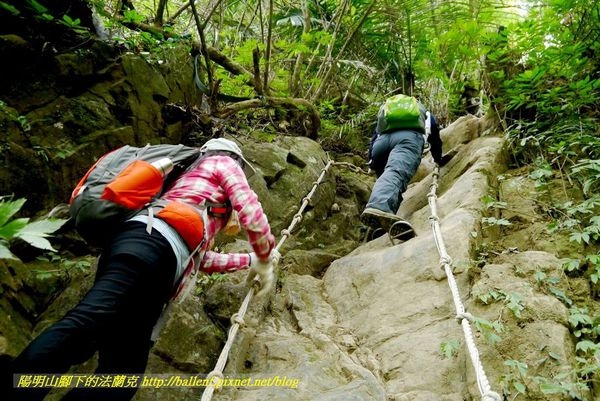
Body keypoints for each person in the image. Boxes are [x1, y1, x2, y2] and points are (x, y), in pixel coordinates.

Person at [5, 137, 278, 401]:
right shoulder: (222, 162)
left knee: (122, 373)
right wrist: (265, 256)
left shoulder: (190, 187)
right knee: (86, 326)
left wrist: (250, 261)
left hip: (150, 253)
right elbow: (250, 209)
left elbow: (198, 259)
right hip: (150, 245)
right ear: (235, 161)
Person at [361, 96, 446, 239]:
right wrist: (438, 159)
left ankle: (380, 223)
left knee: (388, 179)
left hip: (380, 145)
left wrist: (371, 159)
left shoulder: (388, 112)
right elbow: (435, 137)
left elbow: (375, 135)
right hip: (408, 140)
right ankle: (379, 207)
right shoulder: (424, 113)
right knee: (395, 174)